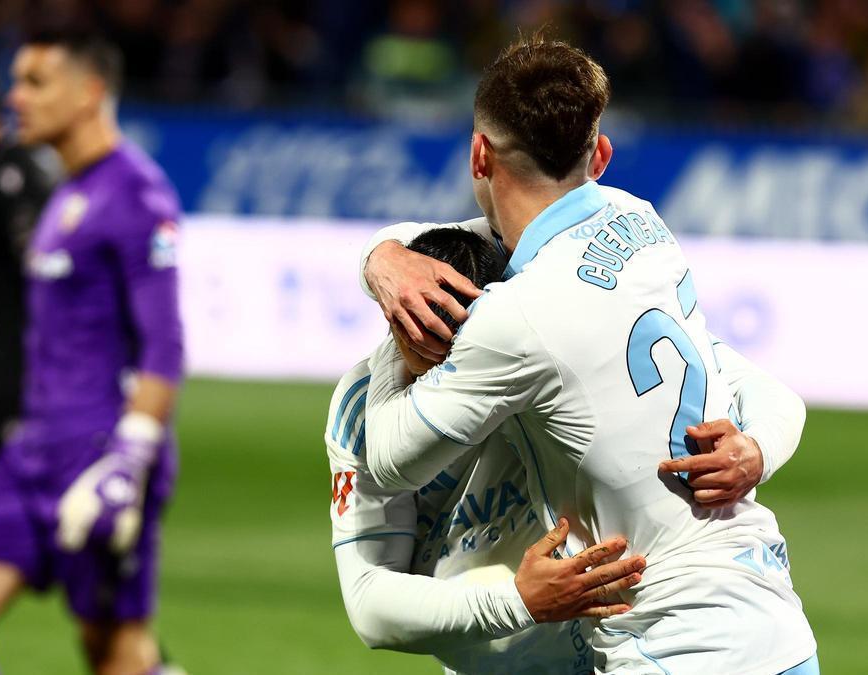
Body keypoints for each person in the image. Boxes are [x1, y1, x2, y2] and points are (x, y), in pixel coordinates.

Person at [362, 37, 818, 674]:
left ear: (478, 154)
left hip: (672, 647)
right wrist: (758, 448)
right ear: (600, 154)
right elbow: (764, 388)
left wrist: (394, 321)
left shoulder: (516, 319)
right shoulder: (643, 225)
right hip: (773, 624)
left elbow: (386, 463)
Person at [336, 228, 809, 674]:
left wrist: (757, 448)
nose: (456, 362)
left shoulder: (541, 337)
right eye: (435, 340)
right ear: (398, 319)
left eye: (469, 345)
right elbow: (369, 604)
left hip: (615, 654)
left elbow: (766, 391)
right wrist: (518, 601)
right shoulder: (364, 413)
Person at [0, 30, 184, 675]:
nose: (15, 96)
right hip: (29, 454)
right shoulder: (64, 191)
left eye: (36, 82)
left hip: (99, 457)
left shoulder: (138, 196)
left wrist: (130, 458)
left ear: (90, 93)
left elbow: (164, 344)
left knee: (112, 652)